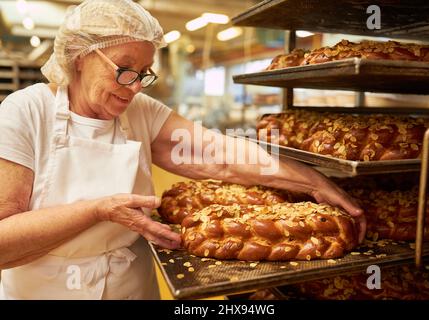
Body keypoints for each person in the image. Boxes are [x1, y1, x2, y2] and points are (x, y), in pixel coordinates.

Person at [0, 0, 365, 300]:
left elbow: (221, 156)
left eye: (144, 73)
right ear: (80, 56)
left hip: (131, 289)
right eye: (124, 70)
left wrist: (313, 183)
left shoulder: (140, 113)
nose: (135, 88)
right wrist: (97, 210)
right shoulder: (25, 113)